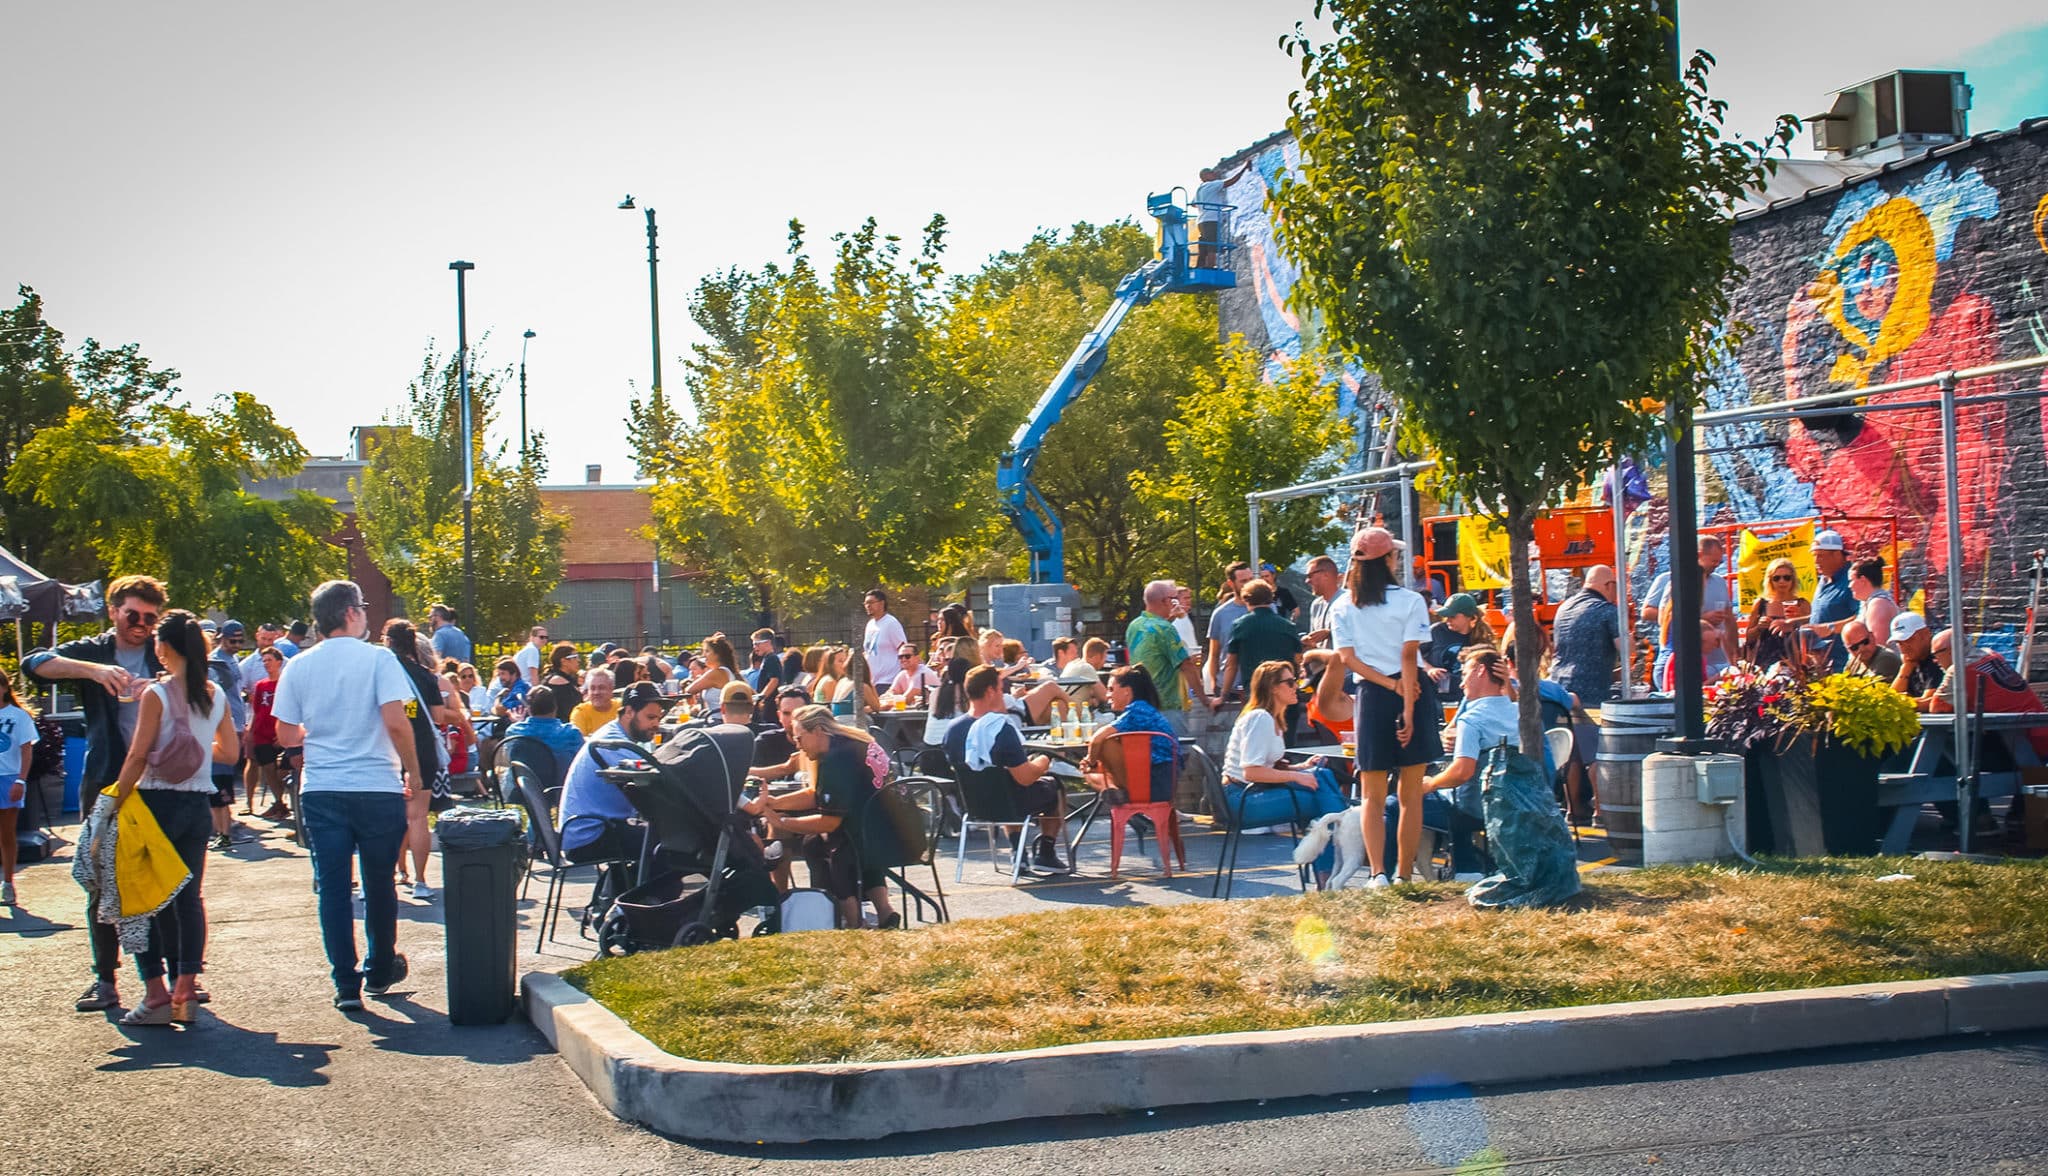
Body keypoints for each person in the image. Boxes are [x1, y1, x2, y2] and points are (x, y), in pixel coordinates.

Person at [272, 581, 423, 1011]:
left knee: (334, 888)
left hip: (322, 786)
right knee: (380, 884)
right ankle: (378, 968)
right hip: (376, 784)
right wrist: (412, 771)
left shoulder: (298, 666)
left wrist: (315, 733)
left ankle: (344, 981)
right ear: (352, 613)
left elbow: (284, 732)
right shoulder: (379, 659)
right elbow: (397, 720)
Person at [24, 573, 168, 1013]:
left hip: (161, 781)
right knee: (101, 881)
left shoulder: (163, 650)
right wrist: (94, 670)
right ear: (113, 610)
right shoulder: (95, 651)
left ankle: (173, 978)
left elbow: (202, 684)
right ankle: (105, 979)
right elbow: (34, 663)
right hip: (107, 780)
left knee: (163, 882)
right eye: (132, 615)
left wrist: (162, 686)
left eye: (149, 617)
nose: (140, 624)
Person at [106, 610, 237, 1026]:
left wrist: (112, 802)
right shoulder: (213, 693)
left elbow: (138, 755)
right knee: (189, 899)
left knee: (144, 900)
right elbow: (231, 754)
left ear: (163, 647)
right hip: (198, 805)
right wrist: (196, 753)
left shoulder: (156, 695)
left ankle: (156, 995)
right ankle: (186, 989)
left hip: (155, 803)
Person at [1327, 526, 1443, 887]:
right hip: (1411, 689)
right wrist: (1406, 703)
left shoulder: (1343, 604)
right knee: (1410, 793)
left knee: (1372, 794)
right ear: (1388, 559)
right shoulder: (1410, 600)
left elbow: (1348, 658)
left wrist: (1388, 686)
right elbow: (1410, 655)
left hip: (1371, 695)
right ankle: (1403, 872)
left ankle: (1378, 874)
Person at [745, 705, 901, 928]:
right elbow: (816, 796)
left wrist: (782, 822)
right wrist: (776, 802)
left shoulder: (837, 758)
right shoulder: (853, 742)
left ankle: (854, 923)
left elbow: (828, 821)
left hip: (876, 839)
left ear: (818, 730)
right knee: (819, 843)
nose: (797, 746)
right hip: (895, 831)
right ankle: (885, 913)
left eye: (799, 739)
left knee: (831, 844)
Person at [1220, 660, 1349, 887]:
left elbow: (1266, 767)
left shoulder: (1271, 719)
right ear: (1272, 687)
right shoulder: (1259, 718)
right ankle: (1338, 859)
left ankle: (1332, 869)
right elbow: (1250, 771)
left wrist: (1299, 768)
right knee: (1322, 800)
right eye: (1290, 682)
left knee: (1321, 775)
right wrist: (1296, 776)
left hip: (1250, 793)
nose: (1296, 686)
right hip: (1242, 800)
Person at [1406, 647, 1522, 881]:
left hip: (1475, 806)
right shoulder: (1524, 714)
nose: (1460, 683)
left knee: (1397, 801)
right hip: (1520, 802)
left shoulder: (1473, 719)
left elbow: (1462, 772)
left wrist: (1430, 784)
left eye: (1464, 672)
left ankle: (1389, 876)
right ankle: (1471, 864)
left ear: (1480, 672)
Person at [943, 665, 1069, 874]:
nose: (1003, 695)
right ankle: (1046, 852)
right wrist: (1045, 759)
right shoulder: (1001, 728)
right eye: (1001, 690)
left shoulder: (952, 730)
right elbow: (1025, 778)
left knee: (1006, 783)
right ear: (990, 692)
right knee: (1054, 785)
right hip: (1010, 803)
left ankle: (1017, 851)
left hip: (975, 805)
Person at [384, 620, 458, 901]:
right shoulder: (425, 676)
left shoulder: (382, 673)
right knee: (418, 817)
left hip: (388, 749)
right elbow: (439, 718)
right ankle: (421, 880)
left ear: (388, 641)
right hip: (422, 748)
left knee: (388, 818)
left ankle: (387, 876)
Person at [557, 681, 665, 868]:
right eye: (650, 717)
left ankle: (630, 891)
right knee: (668, 844)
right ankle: (646, 895)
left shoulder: (614, 734)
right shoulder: (614, 744)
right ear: (629, 711)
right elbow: (657, 781)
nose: (656, 724)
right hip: (589, 836)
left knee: (661, 838)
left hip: (589, 829)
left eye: (658, 718)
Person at [1925, 629, 2048, 757]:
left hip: (2024, 741)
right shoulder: (1991, 654)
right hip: (2038, 728)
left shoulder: (1960, 669)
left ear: (1949, 652)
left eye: (1935, 655)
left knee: (1945, 753)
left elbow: (1937, 709)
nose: (1934, 660)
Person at [1126, 579, 1212, 734]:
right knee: (1176, 751)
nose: (1177, 602)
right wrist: (1204, 699)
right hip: (1167, 704)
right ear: (1165, 601)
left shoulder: (1135, 625)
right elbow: (1186, 665)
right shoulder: (1165, 629)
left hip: (1142, 703)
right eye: (1174, 598)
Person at [1660, 535, 1739, 686]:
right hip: (1682, 663)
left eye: (1719, 561)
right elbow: (1664, 619)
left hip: (1707, 660)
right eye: (1713, 561)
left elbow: (1729, 620)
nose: (1716, 565)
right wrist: (1704, 621)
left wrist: (1734, 653)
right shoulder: (1675, 583)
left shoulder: (1719, 582)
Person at [201, 622, 249, 850]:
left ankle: (225, 829)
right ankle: (221, 830)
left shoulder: (233, 661)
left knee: (226, 777)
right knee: (218, 779)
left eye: (241, 641)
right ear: (222, 638)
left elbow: (238, 695)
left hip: (236, 724)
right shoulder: (214, 663)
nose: (238, 645)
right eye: (233, 641)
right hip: (219, 727)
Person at [1219, 580, 1303, 701]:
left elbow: (1231, 665)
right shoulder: (1288, 626)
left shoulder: (1240, 625)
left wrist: (1223, 695)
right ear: (1271, 597)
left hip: (1255, 692)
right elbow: (1297, 659)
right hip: (1285, 691)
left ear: (1245, 599)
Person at [0, 673, 38, 907]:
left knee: (6, 834)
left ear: (5, 687)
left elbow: (26, 750)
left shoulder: (18, 716)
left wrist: (21, 781)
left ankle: (8, 883)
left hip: (9, 778)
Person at [1422, 593, 1492, 703]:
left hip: (1468, 699)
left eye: (1453, 616)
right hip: (1434, 698)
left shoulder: (1481, 637)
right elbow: (1414, 654)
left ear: (1471, 617)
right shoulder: (1437, 631)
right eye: (1446, 616)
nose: (1448, 619)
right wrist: (1429, 669)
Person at [1743, 557, 1811, 670]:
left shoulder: (1802, 604)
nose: (1782, 581)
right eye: (1777, 578)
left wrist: (1797, 622)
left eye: (1787, 577)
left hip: (1793, 659)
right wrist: (1759, 628)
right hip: (1764, 661)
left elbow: (1811, 633)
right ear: (1770, 580)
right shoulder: (1761, 604)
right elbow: (1749, 638)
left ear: (1793, 580)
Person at [244, 646, 289, 819]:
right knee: (267, 768)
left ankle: (282, 801)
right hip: (262, 732)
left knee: (282, 770)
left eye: (269, 660)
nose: (266, 664)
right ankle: (279, 804)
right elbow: (256, 710)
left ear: (279, 662)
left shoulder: (285, 683)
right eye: (264, 661)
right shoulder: (261, 685)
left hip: (280, 731)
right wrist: (251, 729)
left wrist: (284, 731)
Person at [1805, 530, 1856, 669]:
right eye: (1815, 556)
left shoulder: (1852, 581)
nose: (1816, 561)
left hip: (1843, 664)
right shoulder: (1823, 580)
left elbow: (1862, 617)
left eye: (1821, 556)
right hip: (1821, 663)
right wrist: (1792, 622)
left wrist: (1830, 628)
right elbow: (1824, 615)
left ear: (1837, 554)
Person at [503, 686, 587, 767]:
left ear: (528, 709)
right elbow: (583, 761)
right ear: (555, 708)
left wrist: (519, 723)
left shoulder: (514, 731)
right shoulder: (571, 733)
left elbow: (507, 760)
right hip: (559, 781)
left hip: (522, 781)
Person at [1205, 561, 1255, 694]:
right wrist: (1214, 682)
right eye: (1243, 581)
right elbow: (1214, 653)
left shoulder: (1267, 608)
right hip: (1229, 687)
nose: (1249, 584)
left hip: (1259, 685)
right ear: (1231, 584)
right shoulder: (1220, 614)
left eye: (1251, 579)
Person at [1300, 649, 1355, 747]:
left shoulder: (1321, 700)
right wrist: (1309, 654)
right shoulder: (1327, 701)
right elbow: (1336, 657)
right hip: (1351, 759)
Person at [1888, 612, 1940, 701]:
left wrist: (1903, 702)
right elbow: (1890, 700)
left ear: (1926, 634)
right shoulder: (1911, 662)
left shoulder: (1938, 659)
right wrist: (1905, 668)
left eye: (1909, 640)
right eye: (1899, 643)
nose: (1904, 648)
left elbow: (1929, 702)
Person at [861, 589, 908, 684]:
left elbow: (903, 649)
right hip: (872, 681)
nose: (868, 606)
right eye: (866, 603)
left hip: (888, 681)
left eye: (871, 602)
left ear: (882, 603)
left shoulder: (891, 623)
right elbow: (868, 652)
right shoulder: (870, 624)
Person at [1849, 557, 1899, 647]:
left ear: (1863, 580)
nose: (1849, 586)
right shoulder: (1869, 603)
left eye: (1851, 580)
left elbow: (1878, 646)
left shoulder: (1878, 605)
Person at [1055, 637, 1111, 709]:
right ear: (1097, 656)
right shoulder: (1087, 668)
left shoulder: (1073, 664)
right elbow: (1105, 697)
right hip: (1074, 714)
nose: (1105, 662)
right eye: (1105, 657)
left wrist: (1093, 699)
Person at [1302, 555, 1343, 648]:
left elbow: (1359, 631)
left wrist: (1329, 633)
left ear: (1326, 575)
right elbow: (1316, 644)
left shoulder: (1349, 601)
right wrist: (1309, 641)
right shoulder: (1316, 605)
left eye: (1310, 576)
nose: (1307, 581)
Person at [570, 666, 622, 737]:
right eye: (592, 688)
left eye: (601, 688)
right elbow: (579, 741)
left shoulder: (622, 708)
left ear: (611, 689)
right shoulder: (581, 712)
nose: (596, 692)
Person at [540, 641, 583, 717]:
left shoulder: (567, 678)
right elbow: (572, 710)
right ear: (564, 661)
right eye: (575, 657)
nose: (578, 660)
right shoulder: (558, 681)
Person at [1170, 586, 1202, 658]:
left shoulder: (1186, 616)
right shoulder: (1172, 619)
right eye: (1185, 598)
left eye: (1189, 598)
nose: (1189, 601)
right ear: (1176, 600)